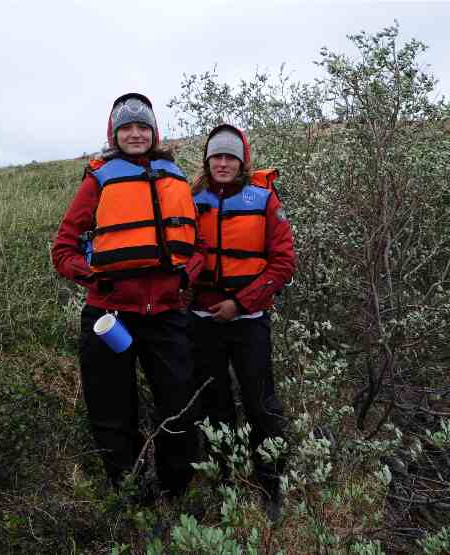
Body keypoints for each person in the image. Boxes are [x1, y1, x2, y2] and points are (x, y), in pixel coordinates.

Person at [51, 92, 204, 500]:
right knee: (112, 411)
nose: (135, 134)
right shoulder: (99, 178)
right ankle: (131, 493)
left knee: (178, 407)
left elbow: (198, 246)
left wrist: (185, 279)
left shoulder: (175, 177)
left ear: (154, 132)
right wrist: (94, 278)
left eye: (143, 126)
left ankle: (177, 491)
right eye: (127, 127)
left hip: (167, 313)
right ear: (114, 133)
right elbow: (63, 249)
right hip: (110, 314)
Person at [188, 124, 296, 520]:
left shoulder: (264, 199)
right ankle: (225, 483)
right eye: (216, 156)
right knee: (213, 405)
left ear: (242, 161)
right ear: (207, 160)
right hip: (201, 320)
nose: (222, 163)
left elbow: (283, 263)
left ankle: (270, 486)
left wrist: (239, 302)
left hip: (249, 320)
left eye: (230, 157)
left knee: (260, 403)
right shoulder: (189, 198)